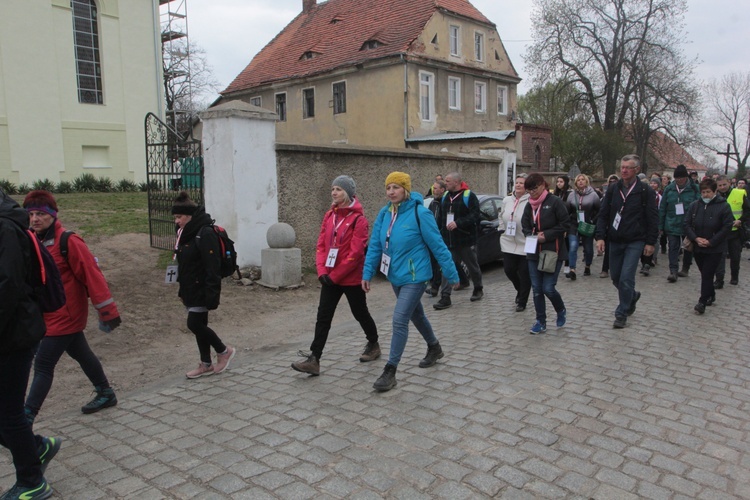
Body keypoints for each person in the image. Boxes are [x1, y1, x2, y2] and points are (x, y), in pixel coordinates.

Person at [22, 191, 121, 423]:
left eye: (40, 214)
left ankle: (25, 417)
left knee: (44, 364)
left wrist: (107, 312)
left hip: (66, 314)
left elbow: (92, 275)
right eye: (31, 214)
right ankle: (105, 392)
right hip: (47, 314)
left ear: (53, 215)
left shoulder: (69, 241)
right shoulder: (32, 240)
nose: (35, 219)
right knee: (80, 352)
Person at [362, 172, 459, 392]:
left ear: (405, 190)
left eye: (396, 187)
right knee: (416, 314)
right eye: (388, 188)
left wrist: (452, 274)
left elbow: (438, 245)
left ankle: (390, 370)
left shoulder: (419, 213)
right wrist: (367, 273)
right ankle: (434, 347)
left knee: (399, 319)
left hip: (416, 277)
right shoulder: (385, 213)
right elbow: (376, 246)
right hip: (395, 275)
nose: (391, 192)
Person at [0, 188, 60, 500]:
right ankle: (36, 447)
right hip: (15, 331)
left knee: (9, 413)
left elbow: (7, 285)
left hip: (14, 335)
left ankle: (32, 480)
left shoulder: (6, 228)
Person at [291, 176, 379, 376]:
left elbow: (356, 254)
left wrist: (336, 275)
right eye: (332, 189)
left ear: (347, 193)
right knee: (323, 317)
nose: (333, 192)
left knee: (360, 313)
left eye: (338, 189)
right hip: (330, 277)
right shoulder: (329, 215)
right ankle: (314, 359)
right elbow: (321, 245)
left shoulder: (359, 220)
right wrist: (322, 271)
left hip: (350, 278)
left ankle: (373, 343)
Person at [172, 191, 236, 379]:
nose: (177, 221)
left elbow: (212, 266)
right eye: (175, 217)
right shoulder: (184, 232)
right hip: (189, 287)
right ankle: (206, 363)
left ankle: (224, 351)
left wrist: (211, 294)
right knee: (200, 324)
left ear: (190, 216)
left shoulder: (204, 232)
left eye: (179, 217)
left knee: (194, 324)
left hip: (201, 288)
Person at [595, 154, 659, 329]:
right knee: (615, 277)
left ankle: (621, 313)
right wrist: (600, 236)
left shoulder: (646, 191)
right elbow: (603, 214)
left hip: (635, 240)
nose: (623, 170)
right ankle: (631, 296)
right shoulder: (613, 189)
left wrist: (651, 242)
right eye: (622, 167)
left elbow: (653, 219)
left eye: (628, 167)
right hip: (615, 240)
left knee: (626, 278)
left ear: (636, 170)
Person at [522, 173, 569, 334]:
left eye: (534, 189)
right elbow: (525, 225)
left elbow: (564, 224)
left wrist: (546, 235)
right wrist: (531, 235)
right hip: (534, 252)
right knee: (536, 289)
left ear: (542, 185)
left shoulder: (555, 202)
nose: (532, 193)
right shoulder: (529, 205)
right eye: (529, 190)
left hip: (552, 251)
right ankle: (540, 321)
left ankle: (560, 309)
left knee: (548, 288)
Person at [683, 178, 733, 314]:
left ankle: (702, 302)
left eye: (708, 192)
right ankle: (710, 293)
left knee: (707, 274)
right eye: (703, 192)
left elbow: (727, 226)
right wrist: (695, 238)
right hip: (698, 246)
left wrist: (711, 241)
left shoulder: (723, 206)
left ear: (714, 191)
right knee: (704, 272)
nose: (705, 195)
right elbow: (686, 223)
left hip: (715, 248)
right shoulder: (695, 205)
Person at [434, 171, 483, 310]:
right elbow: (441, 218)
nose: (445, 183)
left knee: (472, 266)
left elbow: (475, 215)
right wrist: (438, 233)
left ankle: (478, 288)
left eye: (448, 181)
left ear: (456, 182)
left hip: (465, 240)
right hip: (448, 240)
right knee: (446, 267)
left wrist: (458, 223)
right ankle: (445, 297)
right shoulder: (445, 197)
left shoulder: (469, 196)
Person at [659, 165, 699, 282]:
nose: (679, 180)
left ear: (686, 177)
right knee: (673, 247)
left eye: (681, 178)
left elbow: (699, 206)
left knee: (688, 247)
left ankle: (685, 268)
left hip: (689, 224)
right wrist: (660, 226)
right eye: (677, 178)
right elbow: (662, 208)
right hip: (672, 222)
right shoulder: (669, 189)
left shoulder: (694, 189)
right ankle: (673, 271)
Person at [499, 174, 531, 312]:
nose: (518, 185)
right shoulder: (507, 200)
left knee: (524, 273)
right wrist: (501, 228)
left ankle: (522, 301)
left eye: (521, 183)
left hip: (525, 242)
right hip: (509, 241)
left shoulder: (531, 201)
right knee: (509, 270)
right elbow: (501, 215)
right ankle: (520, 289)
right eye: (516, 183)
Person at [713, 175, 750, 287]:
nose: (723, 187)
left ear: (729, 183)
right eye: (720, 185)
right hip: (720, 232)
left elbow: (748, 211)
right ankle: (719, 280)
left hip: (735, 231)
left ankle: (734, 277)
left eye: (724, 184)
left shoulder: (739, 193)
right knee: (720, 256)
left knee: (735, 256)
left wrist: (740, 220)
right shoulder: (714, 196)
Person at [566, 174, 600, 279]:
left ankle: (587, 266)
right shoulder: (571, 195)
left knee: (588, 248)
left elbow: (598, 211)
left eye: (583, 180)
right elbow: (567, 210)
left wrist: (592, 221)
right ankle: (572, 269)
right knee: (573, 246)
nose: (581, 182)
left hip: (587, 224)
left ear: (586, 182)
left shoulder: (593, 195)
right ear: (576, 183)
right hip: (574, 224)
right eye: (578, 180)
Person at [425, 179, 446, 297]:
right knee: (434, 262)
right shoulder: (433, 203)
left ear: (442, 190)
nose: (434, 190)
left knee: (439, 263)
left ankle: (435, 288)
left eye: (436, 188)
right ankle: (463, 280)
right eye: (433, 188)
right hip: (432, 237)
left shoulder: (446, 203)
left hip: (441, 237)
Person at [599, 174, 620, 277]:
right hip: (610, 225)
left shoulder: (622, 192)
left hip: (623, 226)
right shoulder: (607, 194)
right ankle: (605, 268)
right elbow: (603, 213)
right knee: (608, 248)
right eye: (611, 181)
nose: (613, 183)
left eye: (615, 181)